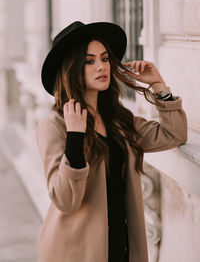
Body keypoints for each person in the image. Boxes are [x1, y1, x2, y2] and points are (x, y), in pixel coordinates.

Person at [36, 21, 187, 262]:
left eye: (105, 59)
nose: (101, 67)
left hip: (122, 248)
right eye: (90, 61)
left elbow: (174, 134)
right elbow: (66, 201)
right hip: (76, 253)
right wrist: (75, 138)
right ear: (71, 68)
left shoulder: (120, 121)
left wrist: (158, 85)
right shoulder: (54, 125)